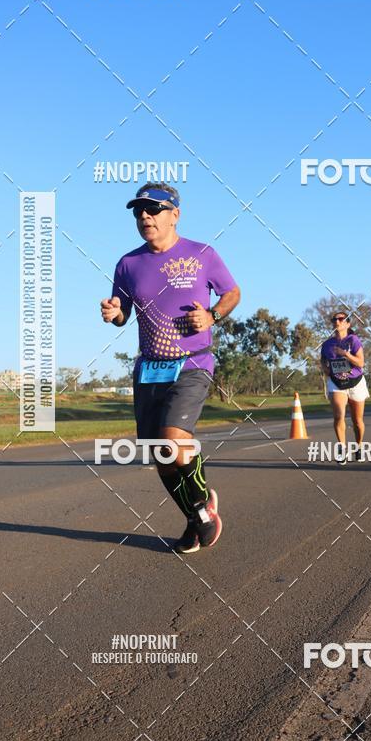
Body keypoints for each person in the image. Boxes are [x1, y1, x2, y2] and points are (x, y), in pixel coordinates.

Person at [100, 182, 240, 553]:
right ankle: (195, 519)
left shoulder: (202, 254)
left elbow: (232, 293)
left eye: (154, 209)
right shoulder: (128, 264)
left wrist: (212, 315)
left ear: (175, 214)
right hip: (150, 368)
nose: (145, 216)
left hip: (193, 362)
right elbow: (122, 313)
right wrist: (114, 314)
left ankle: (203, 508)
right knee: (160, 456)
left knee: (174, 440)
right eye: (139, 211)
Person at [320, 311, 369, 465]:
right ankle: (342, 448)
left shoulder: (353, 340)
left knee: (357, 421)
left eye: (341, 319)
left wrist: (345, 355)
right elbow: (323, 361)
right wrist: (326, 370)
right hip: (337, 383)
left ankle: (359, 447)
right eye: (334, 319)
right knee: (338, 416)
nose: (337, 321)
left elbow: (361, 363)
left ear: (347, 323)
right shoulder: (327, 344)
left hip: (356, 382)